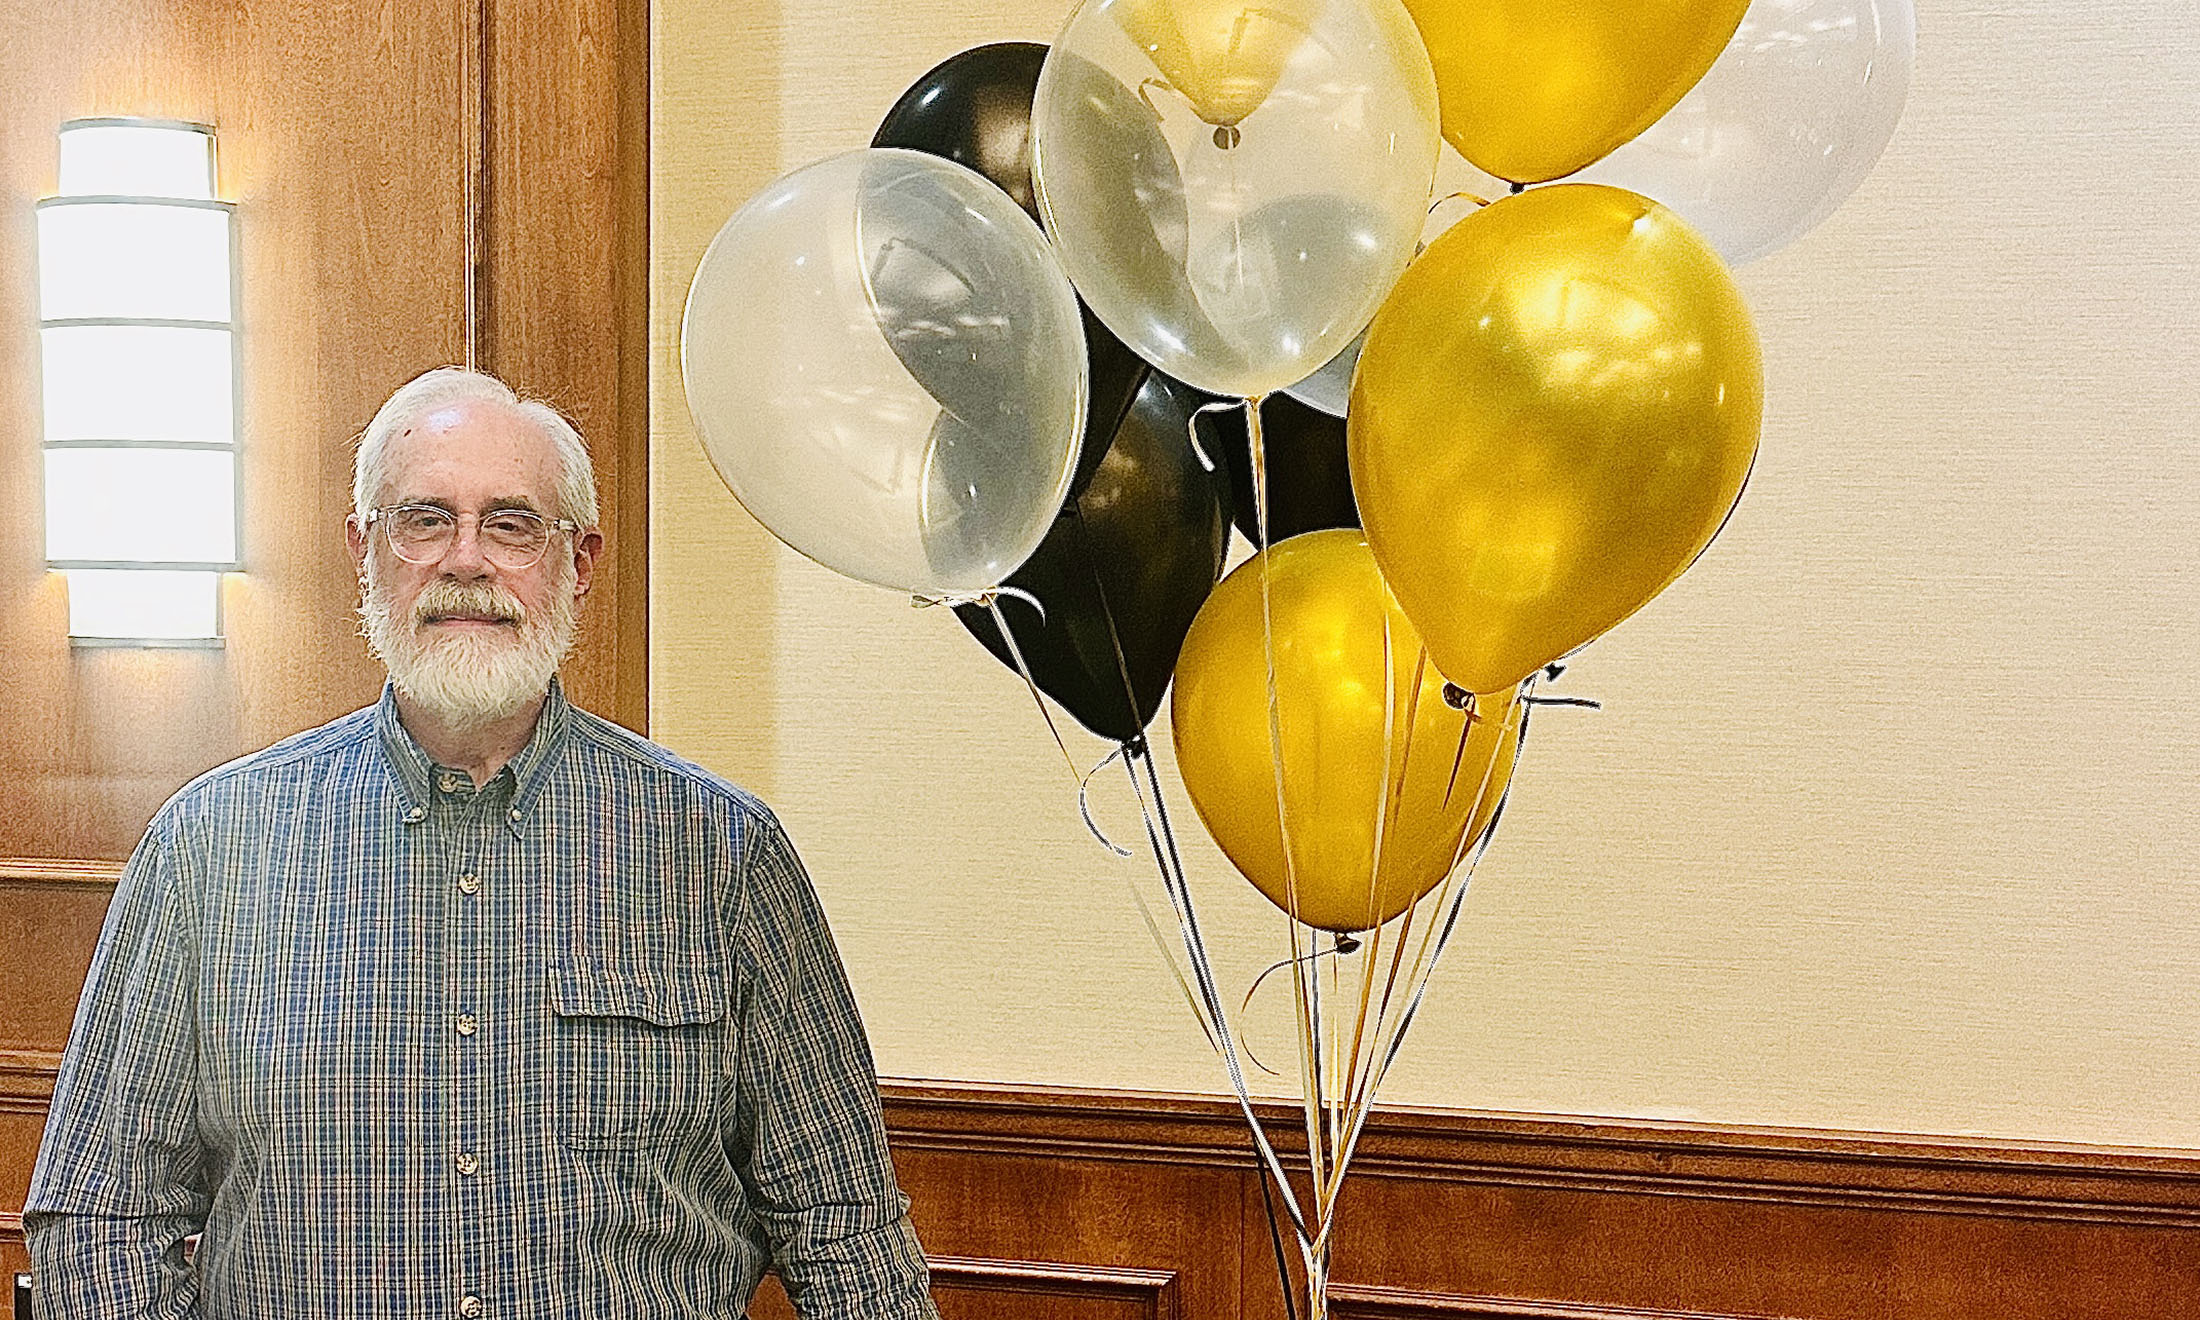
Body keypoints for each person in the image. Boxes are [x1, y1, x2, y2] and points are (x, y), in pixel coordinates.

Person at [25, 367, 938, 1319]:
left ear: (578, 563)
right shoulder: (208, 848)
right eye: (425, 520)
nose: (466, 559)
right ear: (364, 552)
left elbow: (846, 1229)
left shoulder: (722, 855)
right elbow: (98, 1212)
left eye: (510, 524)